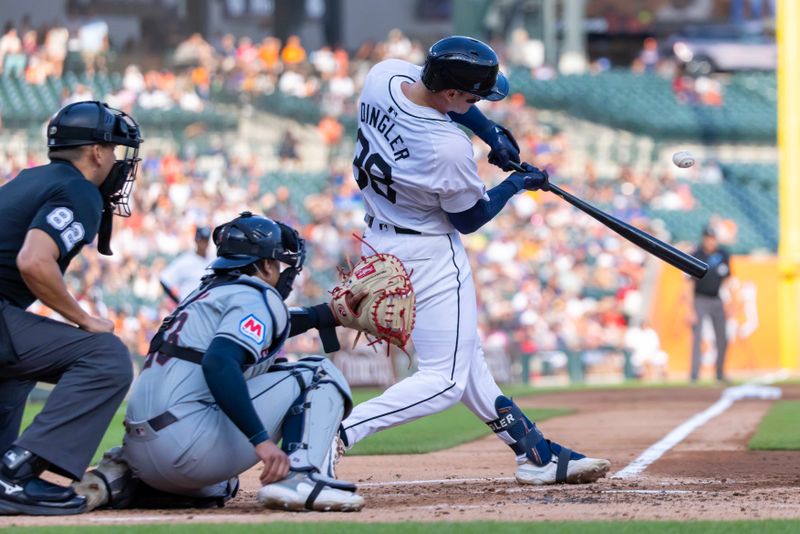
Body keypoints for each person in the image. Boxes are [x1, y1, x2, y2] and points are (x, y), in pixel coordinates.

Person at [337, 36, 610, 485]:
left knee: (465, 359)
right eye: (473, 96)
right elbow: (470, 218)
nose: (478, 102)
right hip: (429, 251)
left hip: (380, 241)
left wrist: (490, 132)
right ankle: (335, 433)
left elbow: (445, 101)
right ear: (450, 94)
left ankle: (535, 454)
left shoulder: (382, 75)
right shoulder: (445, 145)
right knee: (444, 380)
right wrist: (518, 184)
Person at [76, 212, 364, 512]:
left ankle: (119, 479)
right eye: (278, 263)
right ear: (266, 265)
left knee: (224, 484)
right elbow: (220, 363)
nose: (282, 272)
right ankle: (303, 477)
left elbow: (271, 325)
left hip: (140, 454)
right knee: (318, 372)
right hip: (188, 449)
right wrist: (261, 441)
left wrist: (326, 315)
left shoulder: (204, 295)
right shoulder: (257, 296)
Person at [0, 100, 142, 515]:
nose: (117, 160)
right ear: (96, 151)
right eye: (115, 150)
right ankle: (16, 471)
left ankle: (6, 475)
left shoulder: (29, 179)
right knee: (107, 357)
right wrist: (83, 319)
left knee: (13, 371)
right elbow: (33, 260)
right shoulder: (79, 188)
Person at [686, 226, 731, 383]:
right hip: (700, 299)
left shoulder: (722, 254)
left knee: (722, 338)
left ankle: (720, 373)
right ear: (703, 238)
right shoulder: (697, 255)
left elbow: (727, 280)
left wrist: (728, 301)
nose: (710, 241)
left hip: (717, 299)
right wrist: (690, 309)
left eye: (713, 238)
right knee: (697, 337)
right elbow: (689, 284)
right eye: (708, 238)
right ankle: (694, 375)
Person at [159, 226, 212, 304]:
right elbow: (164, 279)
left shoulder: (213, 260)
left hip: (207, 307)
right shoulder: (185, 260)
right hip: (189, 308)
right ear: (196, 240)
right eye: (201, 240)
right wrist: (177, 301)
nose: (203, 243)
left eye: (206, 240)